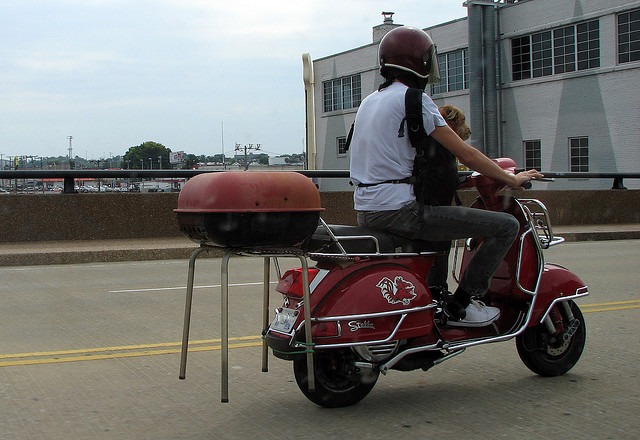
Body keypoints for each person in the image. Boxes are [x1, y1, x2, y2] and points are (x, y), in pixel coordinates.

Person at [349, 26, 543, 327]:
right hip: (400, 211)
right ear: (421, 62)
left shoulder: (369, 101)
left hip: (366, 209)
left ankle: (436, 298)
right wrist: (511, 179)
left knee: (442, 224)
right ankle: (462, 304)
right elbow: (466, 154)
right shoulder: (415, 99)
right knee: (506, 226)